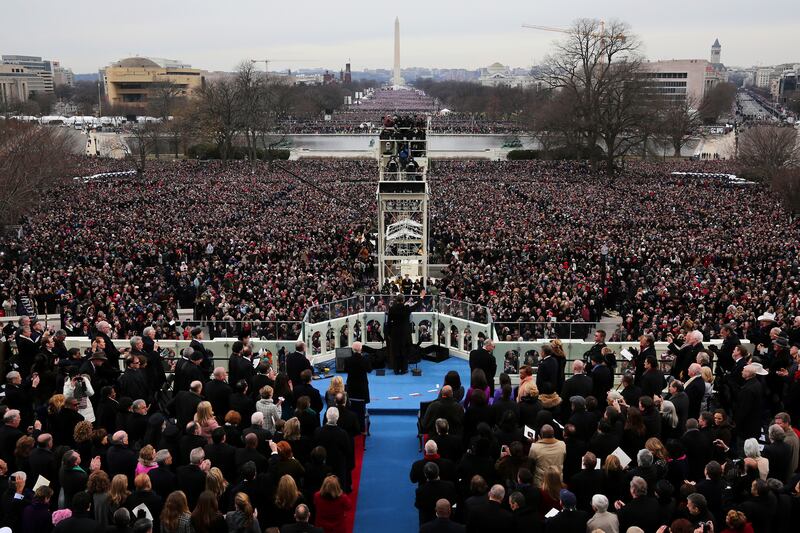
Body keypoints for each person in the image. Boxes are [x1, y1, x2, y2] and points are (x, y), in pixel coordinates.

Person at [386, 290, 426, 374]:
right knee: (404, 351)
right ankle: (404, 369)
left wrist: (389, 333)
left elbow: (389, 322)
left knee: (396, 351)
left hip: (395, 333)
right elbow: (417, 306)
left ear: (397, 300)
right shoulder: (406, 308)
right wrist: (421, 297)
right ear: (403, 300)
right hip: (405, 333)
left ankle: (396, 369)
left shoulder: (392, 309)